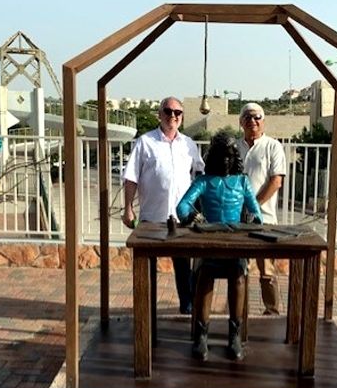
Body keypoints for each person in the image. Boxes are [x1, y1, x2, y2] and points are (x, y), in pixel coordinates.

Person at [177, 132, 262, 361]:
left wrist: (252, 218)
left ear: (235, 158)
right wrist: (193, 216)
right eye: (221, 156)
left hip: (235, 245)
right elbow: (182, 206)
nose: (226, 161)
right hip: (209, 243)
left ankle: (234, 335)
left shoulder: (242, 181)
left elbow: (257, 213)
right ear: (213, 158)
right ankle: (201, 335)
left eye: (230, 156)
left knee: (238, 276)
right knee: (204, 275)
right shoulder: (203, 182)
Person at [122, 96, 205, 314]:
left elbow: (200, 174)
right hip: (152, 217)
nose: (173, 116)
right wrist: (128, 208)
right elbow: (131, 177)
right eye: (168, 111)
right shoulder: (145, 142)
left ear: (182, 117)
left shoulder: (188, 144)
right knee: (147, 267)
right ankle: (145, 309)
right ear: (160, 114)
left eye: (177, 112)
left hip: (182, 218)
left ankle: (187, 307)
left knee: (183, 265)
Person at [236, 102, 287, 316]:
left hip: (264, 219)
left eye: (257, 117)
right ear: (241, 122)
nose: (252, 121)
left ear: (263, 121)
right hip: (237, 220)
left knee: (266, 270)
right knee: (239, 270)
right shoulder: (235, 147)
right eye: (247, 117)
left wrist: (253, 205)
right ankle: (239, 314)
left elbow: (276, 181)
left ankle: (272, 312)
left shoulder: (273, 146)